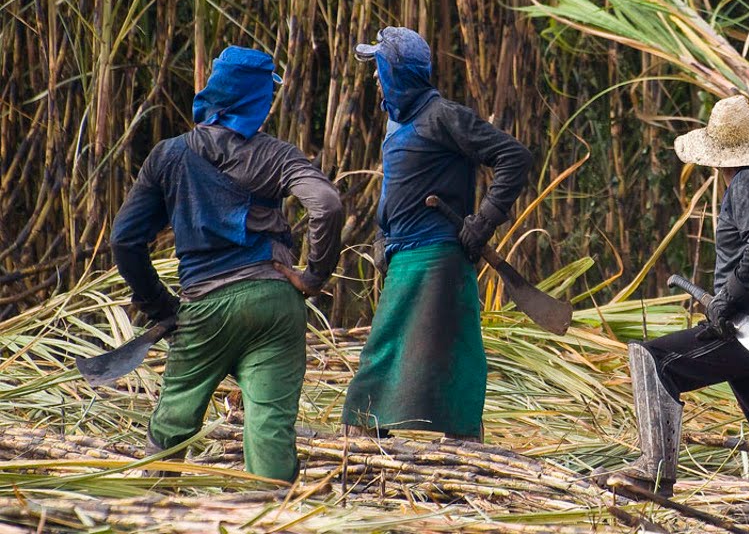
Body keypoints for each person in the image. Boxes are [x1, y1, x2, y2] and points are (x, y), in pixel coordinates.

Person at [110, 46, 344, 481]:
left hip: (205, 307)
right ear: (258, 99)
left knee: (174, 419)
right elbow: (326, 204)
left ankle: (151, 507)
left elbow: (125, 241)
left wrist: (161, 308)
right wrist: (313, 277)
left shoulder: (169, 155)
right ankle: (271, 516)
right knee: (270, 424)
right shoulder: (277, 154)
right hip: (276, 300)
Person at [601, 95, 749, 533]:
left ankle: (655, 471)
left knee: (653, 361)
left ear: (718, 159)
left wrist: (734, 298)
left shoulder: (744, 185)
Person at [342, 26, 532, 441]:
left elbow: (513, 156)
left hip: (437, 260)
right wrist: (381, 234)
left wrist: (484, 219)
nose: (374, 76)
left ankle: (464, 453)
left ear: (396, 72)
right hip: (405, 259)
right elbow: (393, 189)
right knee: (391, 353)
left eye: (378, 67)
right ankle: (369, 454)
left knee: (446, 358)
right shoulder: (398, 123)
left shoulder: (443, 116)